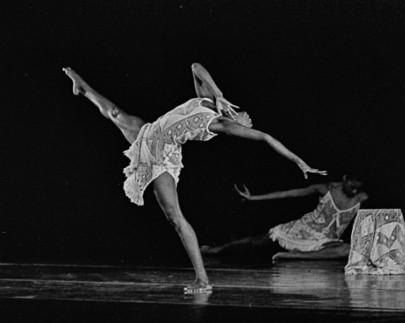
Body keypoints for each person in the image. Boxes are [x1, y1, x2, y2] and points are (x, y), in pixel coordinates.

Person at [62, 63, 326, 293]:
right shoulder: (210, 101)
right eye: (248, 118)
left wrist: (297, 160)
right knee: (115, 113)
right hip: (150, 133)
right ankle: (81, 87)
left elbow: (265, 137)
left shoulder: (222, 125)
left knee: (175, 218)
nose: (249, 120)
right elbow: (195, 66)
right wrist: (219, 95)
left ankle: (202, 279)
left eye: (248, 123)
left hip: (163, 156)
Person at [201, 175, 368, 260]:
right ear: (345, 178)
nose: (354, 191)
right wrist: (254, 198)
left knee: (347, 250)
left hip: (325, 242)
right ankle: (217, 250)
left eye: (357, 188)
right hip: (301, 231)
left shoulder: (362, 198)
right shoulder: (325, 189)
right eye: (352, 186)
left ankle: (295, 257)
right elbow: (287, 194)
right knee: (256, 241)